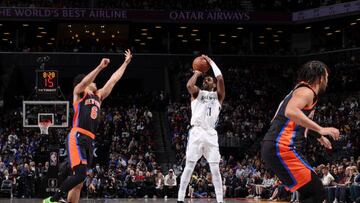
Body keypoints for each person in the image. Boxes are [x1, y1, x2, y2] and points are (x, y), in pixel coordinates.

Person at [43, 49, 133, 203]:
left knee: (79, 182)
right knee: (80, 175)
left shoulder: (99, 96)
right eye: (91, 80)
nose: (95, 81)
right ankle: (53, 199)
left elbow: (113, 80)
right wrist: (99, 67)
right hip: (77, 136)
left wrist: (125, 63)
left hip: (89, 139)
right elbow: (84, 82)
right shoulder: (79, 93)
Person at [261, 60, 340, 203]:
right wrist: (321, 128)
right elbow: (290, 112)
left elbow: (289, 119)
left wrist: (319, 136)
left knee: (308, 192)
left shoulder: (297, 91)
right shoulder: (307, 91)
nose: (327, 81)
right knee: (316, 193)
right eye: (327, 77)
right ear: (321, 77)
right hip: (282, 147)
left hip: (275, 145)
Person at [177, 55, 225, 203]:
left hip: (210, 133)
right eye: (205, 79)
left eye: (209, 79)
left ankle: (220, 200)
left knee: (215, 169)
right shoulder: (198, 93)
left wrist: (211, 62)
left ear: (214, 84)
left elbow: (221, 79)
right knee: (189, 165)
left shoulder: (218, 96)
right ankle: (180, 199)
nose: (206, 80)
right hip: (197, 131)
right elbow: (189, 86)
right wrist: (197, 73)